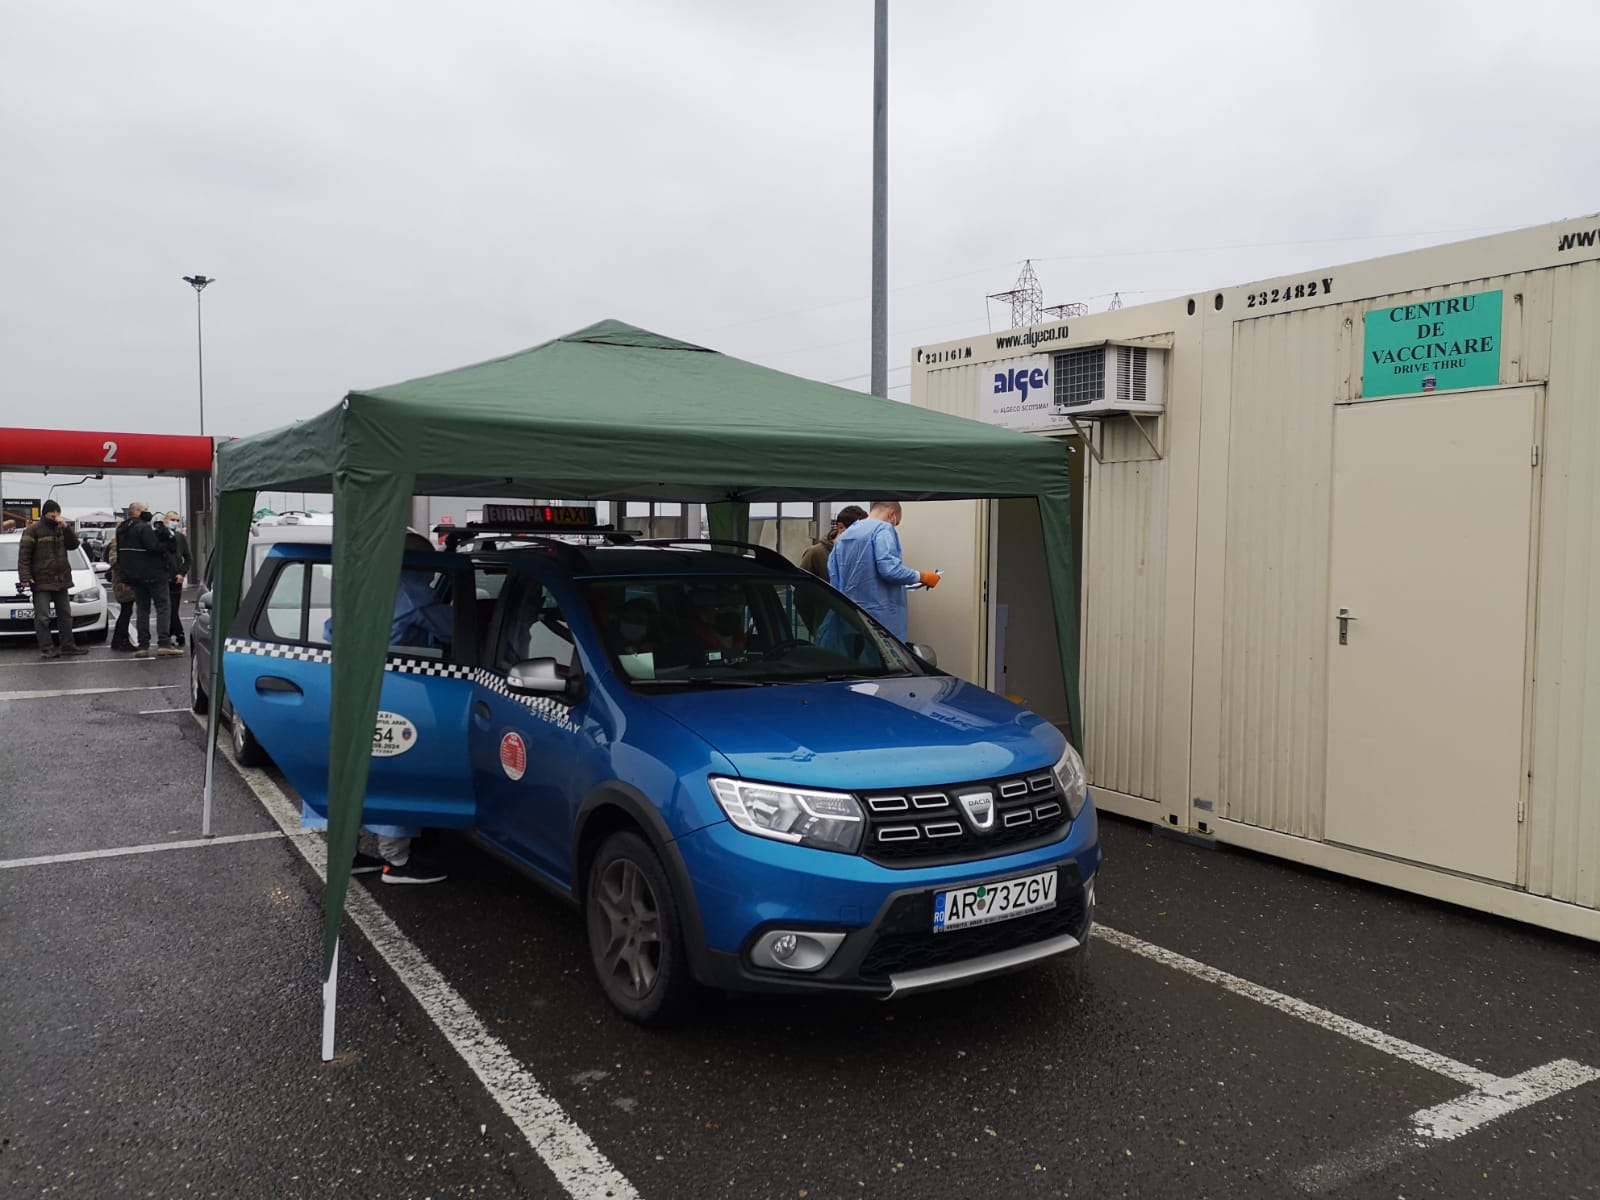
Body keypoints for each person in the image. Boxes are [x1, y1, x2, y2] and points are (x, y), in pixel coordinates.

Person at [315, 529, 449, 885]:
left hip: (349, 688)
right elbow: (453, 629)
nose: (433, 572)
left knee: (355, 770)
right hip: (391, 691)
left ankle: (347, 853)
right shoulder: (411, 591)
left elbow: (330, 633)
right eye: (429, 563)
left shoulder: (363, 586)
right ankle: (397, 860)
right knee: (395, 767)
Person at [827, 500, 940, 642]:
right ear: (892, 514)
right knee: (882, 655)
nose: (894, 526)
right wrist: (923, 577)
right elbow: (890, 570)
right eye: (896, 523)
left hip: (850, 618)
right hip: (880, 621)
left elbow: (835, 577)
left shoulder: (845, 536)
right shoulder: (883, 529)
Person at [17, 500, 87, 659]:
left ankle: (68, 645)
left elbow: (74, 545)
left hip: (61, 579)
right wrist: (25, 577)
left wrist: (66, 527)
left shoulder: (61, 529)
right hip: (41, 581)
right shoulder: (33, 530)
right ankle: (46, 648)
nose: (55, 517)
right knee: (43, 617)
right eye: (52, 514)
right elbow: (24, 556)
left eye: (58, 514)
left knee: (65, 615)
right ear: (45, 514)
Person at [115, 501, 182, 658]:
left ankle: (143, 645)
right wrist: (166, 541)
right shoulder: (143, 528)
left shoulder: (122, 529)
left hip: (134, 576)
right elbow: (154, 547)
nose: (148, 512)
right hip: (154, 574)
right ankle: (164, 643)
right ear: (137, 511)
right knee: (163, 607)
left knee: (142, 610)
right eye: (145, 510)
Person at [798, 505, 867, 632]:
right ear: (840, 527)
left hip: (857, 628)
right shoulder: (816, 554)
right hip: (827, 627)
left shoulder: (862, 554)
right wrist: (817, 627)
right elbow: (801, 595)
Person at [102, 518, 137, 651]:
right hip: (123, 581)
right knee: (126, 611)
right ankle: (122, 640)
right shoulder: (117, 542)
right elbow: (114, 561)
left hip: (124, 580)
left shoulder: (120, 541)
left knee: (126, 610)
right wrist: (127, 574)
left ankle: (117, 640)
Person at [164, 512, 192, 647]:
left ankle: (173, 633)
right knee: (168, 607)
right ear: (165, 520)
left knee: (174, 607)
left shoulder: (180, 537)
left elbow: (188, 558)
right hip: (163, 578)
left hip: (177, 579)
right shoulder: (159, 536)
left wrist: (182, 573)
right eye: (172, 519)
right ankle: (178, 633)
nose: (175, 522)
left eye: (177, 520)